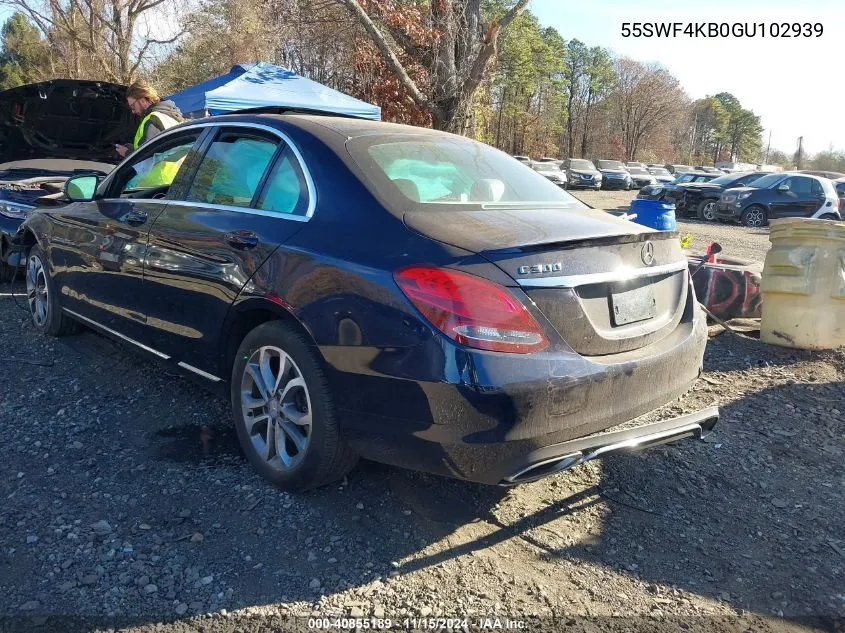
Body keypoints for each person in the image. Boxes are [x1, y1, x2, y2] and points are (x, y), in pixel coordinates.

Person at [115, 80, 183, 159]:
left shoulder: (153, 120)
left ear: (143, 101)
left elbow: (147, 157)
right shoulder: (169, 115)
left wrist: (127, 152)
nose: (132, 111)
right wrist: (133, 149)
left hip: (160, 171)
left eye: (133, 106)